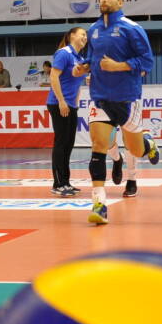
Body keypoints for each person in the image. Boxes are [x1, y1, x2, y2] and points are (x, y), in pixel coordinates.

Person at [83, 0, 158, 225]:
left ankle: (147, 143)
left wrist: (119, 66)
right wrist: (82, 67)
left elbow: (147, 61)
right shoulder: (93, 29)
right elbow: (91, 58)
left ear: (121, 2)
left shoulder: (132, 28)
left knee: (135, 150)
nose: (103, 0)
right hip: (100, 97)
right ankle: (99, 205)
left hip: (127, 97)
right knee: (98, 146)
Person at [46, 27, 90, 197]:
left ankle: (65, 182)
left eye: (86, 35)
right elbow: (53, 77)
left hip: (71, 105)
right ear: (72, 36)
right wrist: (61, 101)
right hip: (58, 104)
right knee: (61, 143)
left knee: (69, 144)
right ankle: (58, 184)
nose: (85, 37)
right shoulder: (64, 53)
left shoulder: (80, 58)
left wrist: (75, 104)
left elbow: (77, 83)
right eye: (82, 34)